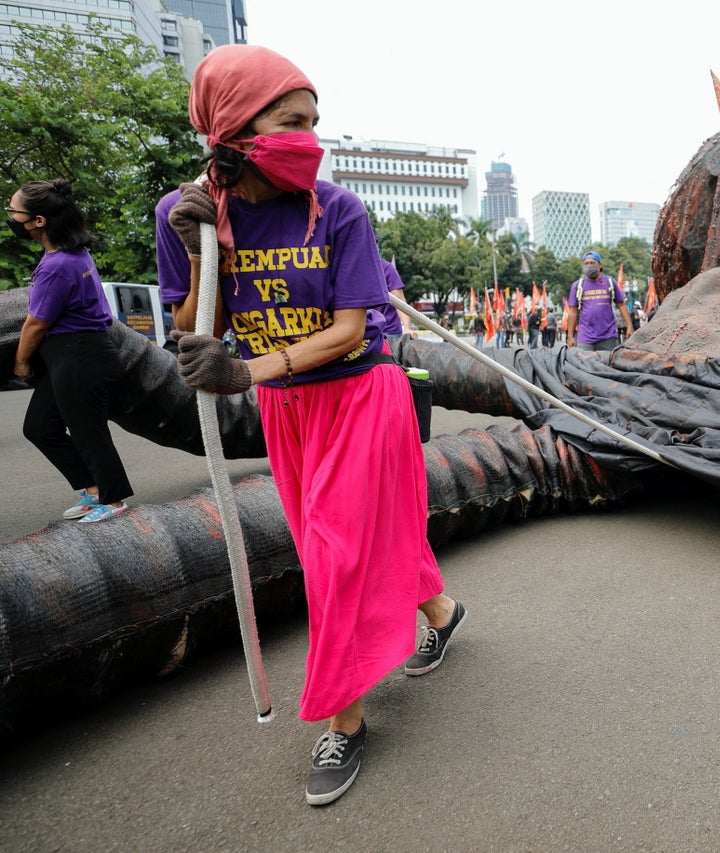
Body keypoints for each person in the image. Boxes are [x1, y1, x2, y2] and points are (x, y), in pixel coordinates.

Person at [153, 44, 465, 807]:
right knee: (354, 538)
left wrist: (247, 370)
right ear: (232, 126)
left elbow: (353, 328)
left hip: (361, 393)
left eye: (314, 122)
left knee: (336, 555)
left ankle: (345, 721)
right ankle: (444, 611)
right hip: (287, 412)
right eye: (290, 121)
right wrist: (200, 255)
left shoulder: (342, 211)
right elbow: (192, 324)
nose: (309, 138)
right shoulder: (184, 213)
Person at [9, 179, 133, 523]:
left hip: (80, 353)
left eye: (14, 212)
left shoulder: (57, 265)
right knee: (39, 427)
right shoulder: (72, 253)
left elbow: (36, 323)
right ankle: (92, 489)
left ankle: (113, 500)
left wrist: (20, 362)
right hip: (72, 354)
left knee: (87, 431)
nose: (10, 218)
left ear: (38, 221)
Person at [565, 250, 633, 351]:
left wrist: (630, 326)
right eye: (586, 263)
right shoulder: (578, 285)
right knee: (585, 365)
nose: (589, 266)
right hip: (585, 338)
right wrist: (570, 336)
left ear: (600, 265)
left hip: (608, 336)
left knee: (607, 365)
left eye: (592, 263)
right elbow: (572, 311)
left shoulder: (610, 282)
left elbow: (621, 305)